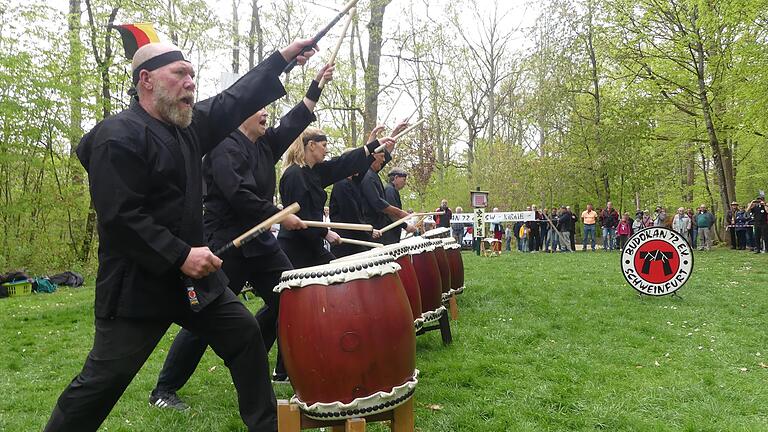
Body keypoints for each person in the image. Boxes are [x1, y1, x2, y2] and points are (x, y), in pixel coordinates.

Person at [43, 40, 316, 432]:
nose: (191, 83)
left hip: (193, 282)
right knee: (103, 381)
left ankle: (266, 425)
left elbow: (233, 100)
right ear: (146, 80)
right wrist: (180, 254)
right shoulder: (116, 137)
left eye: (193, 75)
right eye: (180, 74)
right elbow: (121, 218)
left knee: (243, 335)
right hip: (137, 286)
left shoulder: (189, 129)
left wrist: (283, 58)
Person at [149, 65, 331, 400]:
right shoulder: (223, 145)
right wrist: (280, 215)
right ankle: (164, 388)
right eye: (259, 107)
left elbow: (294, 123)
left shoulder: (264, 145)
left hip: (261, 244)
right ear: (241, 113)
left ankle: (274, 365)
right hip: (226, 245)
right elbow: (239, 194)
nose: (265, 113)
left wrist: (315, 87)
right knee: (207, 315)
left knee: (292, 298)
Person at [279, 127, 394, 268]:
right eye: (324, 145)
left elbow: (342, 163)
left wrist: (371, 147)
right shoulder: (294, 174)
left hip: (312, 244)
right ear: (311, 145)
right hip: (296, 249)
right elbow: (302, 215)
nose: (326, 150)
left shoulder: (315, 172)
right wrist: (325, 232)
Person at [384, 166, 413, 243]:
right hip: (389, 234)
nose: (405, 183)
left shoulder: (392, 190)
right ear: (396, 177)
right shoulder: (389, 190)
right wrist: (406, 226)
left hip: (393, 233)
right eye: (404, 180)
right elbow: (392, 214)